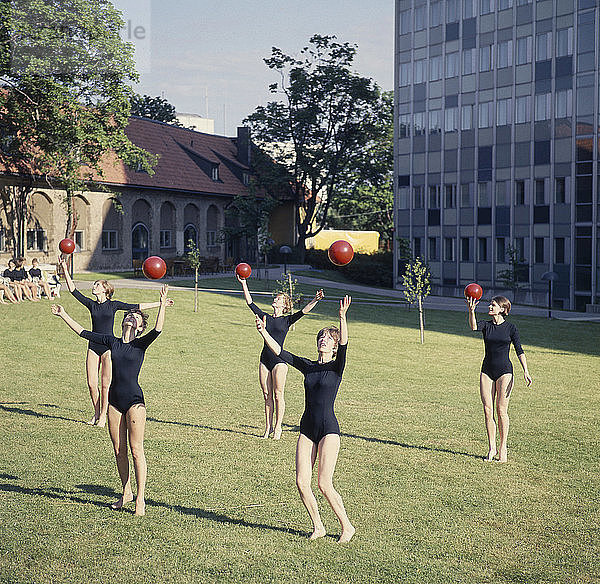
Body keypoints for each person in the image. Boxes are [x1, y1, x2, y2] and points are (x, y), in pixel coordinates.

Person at [51, 284, 170, 516]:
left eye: (135, 317)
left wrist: (162, 304)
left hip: (135, 401)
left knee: (136, 450)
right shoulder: (111, 341)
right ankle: (125, 492)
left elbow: (158, 329)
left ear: (140, 327)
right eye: (129, 315)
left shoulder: (140, 344)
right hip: (114, 402)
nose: (131, 317)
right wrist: (64, 314)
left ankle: (140, 499)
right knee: (119, 450)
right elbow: (83, 332)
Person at [256, 295, 355, 543]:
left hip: (329, 430)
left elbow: (345, 344)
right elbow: (280, 351)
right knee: (302, 482)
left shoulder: (336, 367)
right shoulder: (309, 366)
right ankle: (319, 526)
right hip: (307, 428)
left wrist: (342, 318)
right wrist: (263, 332)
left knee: (323, 483)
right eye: (321, 337)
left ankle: (347, 526)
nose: (324, 340)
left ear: (333, 347)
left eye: (329, 339)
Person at [59, 257, 173, 427]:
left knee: (105, 385)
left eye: (97, 285)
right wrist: (64, 269)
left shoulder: (114, 305)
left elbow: (137, 306)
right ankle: (96, 413)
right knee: (91, 384)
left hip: (108, 347)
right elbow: (74, 291)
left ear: (105, 290)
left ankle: (103, 416)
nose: (94, 286)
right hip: (94, 344)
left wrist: (160, 304)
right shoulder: (91, 304)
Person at [238, 274, 323, 439]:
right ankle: (267, 428)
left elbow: (303, 311)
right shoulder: (265, 318)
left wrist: (315, 299)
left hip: (279, 361)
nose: (275, 300)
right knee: (266, 394)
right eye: (275, 298)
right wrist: (244, 283)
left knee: (278, 394)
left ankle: (278, 428)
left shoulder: (287, 320)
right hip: (265, 360)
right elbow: (250, 302)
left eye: (278, 299)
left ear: (284, 305)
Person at [466, 295, 532, 463]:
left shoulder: (511, 328)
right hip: (487, 370)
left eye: (493, 305)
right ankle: (491, 448)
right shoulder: (486, 326)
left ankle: (503, 448)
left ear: (502, 309)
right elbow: (473, 327)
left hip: (505, 372)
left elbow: (519, 349)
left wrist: (526, 371)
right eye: (490, 304)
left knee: (501, 410)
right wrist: (471, 311)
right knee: (488, 410)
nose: (490, 306)